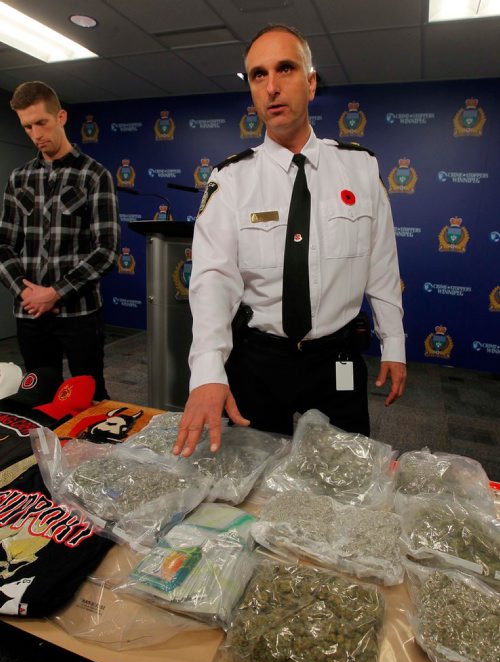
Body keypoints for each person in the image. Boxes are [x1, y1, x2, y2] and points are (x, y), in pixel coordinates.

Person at [174, 24, 406, 457]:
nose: (273, 87)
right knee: (253, 481)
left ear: (311, 83)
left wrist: (393, 342)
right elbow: (211, 281)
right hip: (259, 360)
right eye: (258, 75)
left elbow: (382, 263)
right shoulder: (231, 179)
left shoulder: (359, 168)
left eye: (286, 69)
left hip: (336, 357)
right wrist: (207, 371)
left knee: (345, 481)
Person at [0, 81, 120, 400]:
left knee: (89, 397)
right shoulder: (19, 179)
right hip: (30, 314)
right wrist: (26, 292)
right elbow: (3, 245)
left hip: (79, 314)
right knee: (38, 398)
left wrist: (55, 293)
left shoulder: (94, 175)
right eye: (27, 127)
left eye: (42, 122)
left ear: (61, 117)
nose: (36, 134)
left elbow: (106, 250)